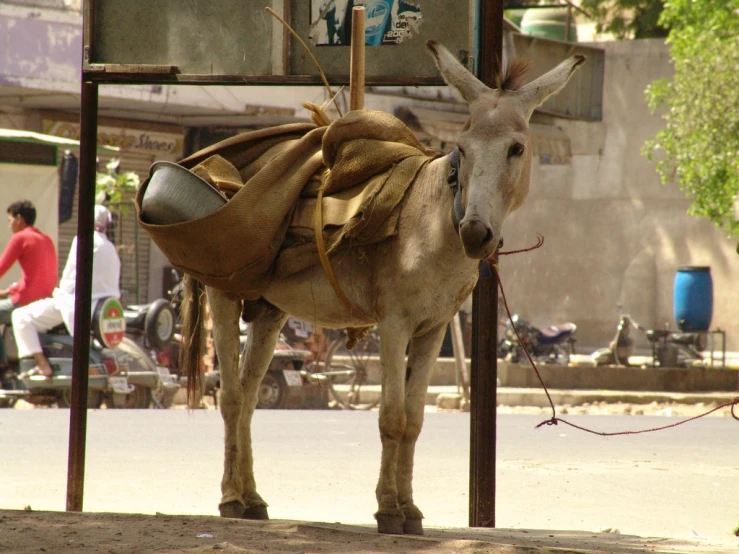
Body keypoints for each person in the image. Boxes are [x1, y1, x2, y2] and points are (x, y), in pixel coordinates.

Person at [12, 205, 120, 379]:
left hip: (74, 305)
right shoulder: (110, 248)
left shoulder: (83, 240)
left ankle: (42, 364)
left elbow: (70, 278)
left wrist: (59, 294)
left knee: (20, 317)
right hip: (99, 308)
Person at [0, 200, 57, 365]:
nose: (10, 226)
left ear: (19, 219)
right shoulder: (46, 239)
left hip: (25, 301)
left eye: (10, 221)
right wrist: (10, 290)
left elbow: (1, 268)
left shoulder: (20, 237)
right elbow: (37, 276)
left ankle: (1, 367)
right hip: (44, 300)